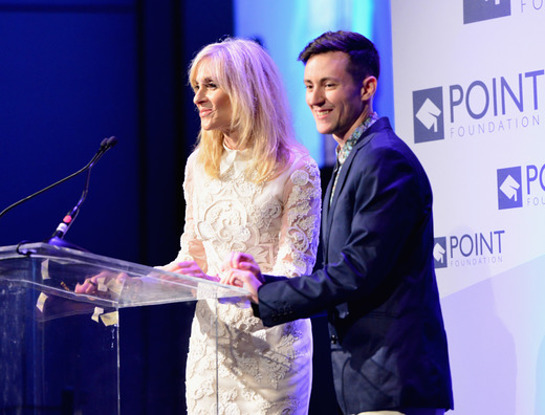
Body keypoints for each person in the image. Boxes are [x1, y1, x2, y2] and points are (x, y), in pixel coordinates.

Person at [222, 31, 454, 415]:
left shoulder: (383, 160)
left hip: (393, 381)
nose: (314, 99)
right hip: (370, 381)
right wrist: (264, 283)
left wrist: (265, 296)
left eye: (329, 85)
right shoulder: (357, 157)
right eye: (309, 86)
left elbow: (355, 273)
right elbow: (343, 273)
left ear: (367, 87)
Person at [161, 38, 322, 414]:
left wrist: (251, 283)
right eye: (196, 87)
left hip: (271, 350)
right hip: (211, 348)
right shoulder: (198, 165)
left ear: (246, 90)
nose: (198, 97)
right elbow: (192, 255)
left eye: (210, 86)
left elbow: (295, 272)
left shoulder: (298, 169)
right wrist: (135, 281)